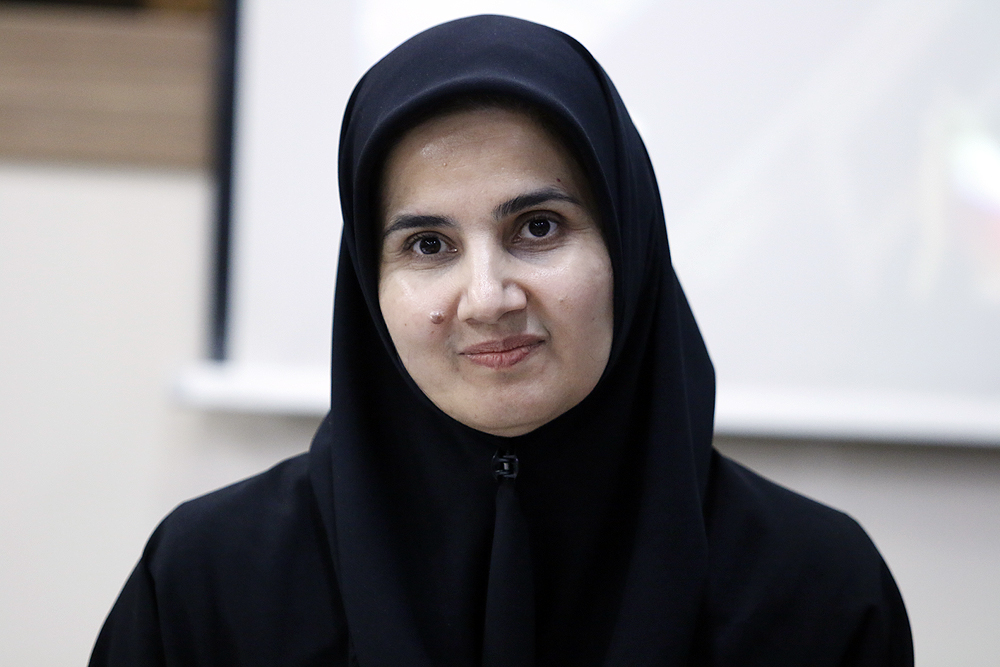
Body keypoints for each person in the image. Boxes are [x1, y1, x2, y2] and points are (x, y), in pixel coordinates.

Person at [90, 14, 913, 667]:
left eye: (539, 226)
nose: (487, 298)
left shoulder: (820, 590)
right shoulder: (207, 580)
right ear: (369, 284)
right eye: (428, 244)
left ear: (627, 246)